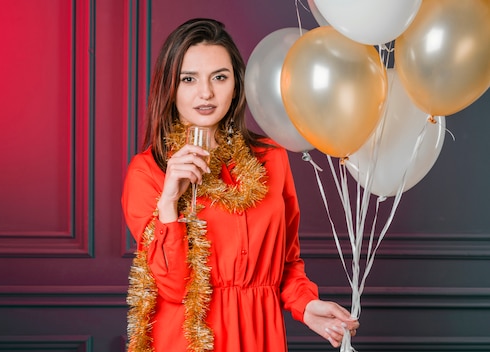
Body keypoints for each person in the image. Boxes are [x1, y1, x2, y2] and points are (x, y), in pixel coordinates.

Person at [122, 18, 359, 351]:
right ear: (169, 87)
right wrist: (169, 200)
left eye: (219, 77)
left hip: (260, 333)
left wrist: (305, 305)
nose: (206, 93)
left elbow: (287, 261)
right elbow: (174, 287)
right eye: (188, 79)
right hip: (189, 340)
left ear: (236, 85)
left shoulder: (271, 158)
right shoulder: (147, 171)